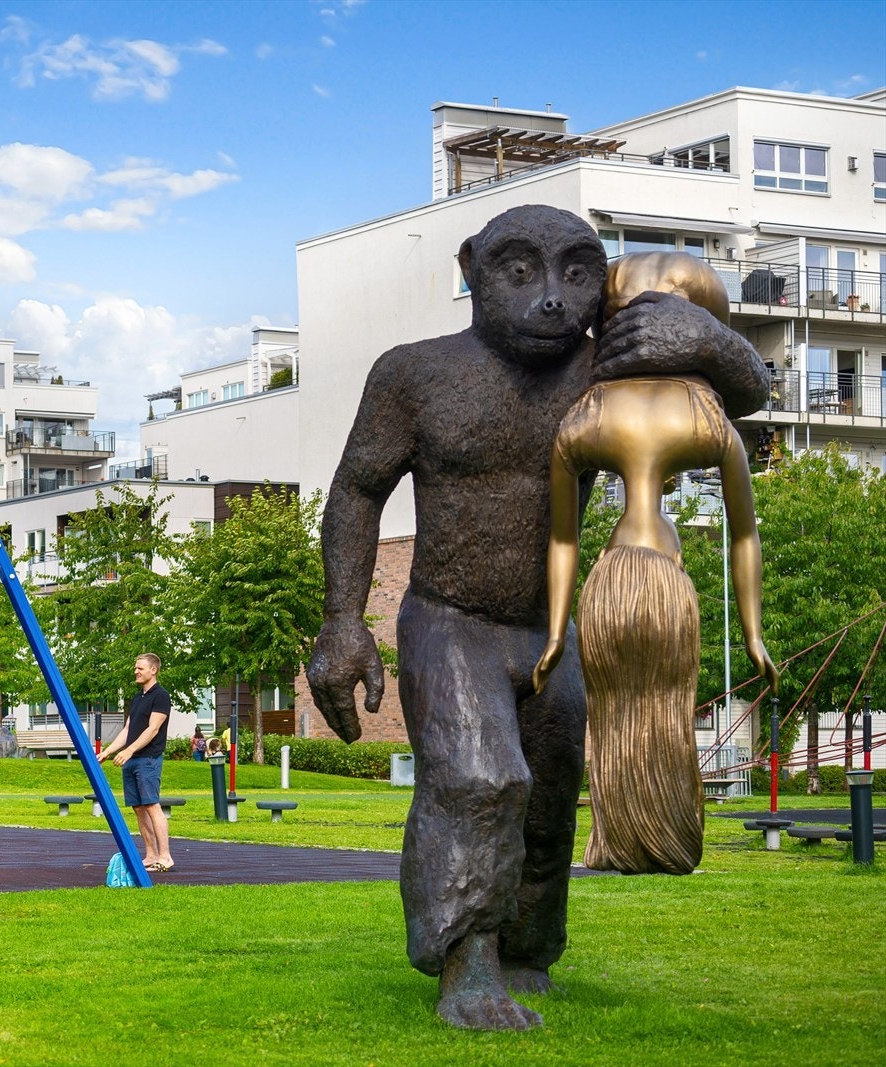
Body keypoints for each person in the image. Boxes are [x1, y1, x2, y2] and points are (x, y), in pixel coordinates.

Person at [307, 205, 770, 1030]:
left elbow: (744, 393)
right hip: (449, 617)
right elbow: (356, 488)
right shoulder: (413, 374)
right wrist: (343, 619)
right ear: (471, 269)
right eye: (521, 273)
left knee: (552, 793)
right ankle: (469, 962)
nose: (552, 299)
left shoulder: (607, 370)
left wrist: (706, 342)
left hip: (552, 625)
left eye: (576, 274)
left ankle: (525, 949)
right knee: (481, 777)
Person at [532, 251, 779, 876]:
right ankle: (666, 833)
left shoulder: (585, 417)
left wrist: (557, 633)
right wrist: (754, 635)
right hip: (662, 583)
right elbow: (743, 535)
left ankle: (617, 835)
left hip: (610, 582)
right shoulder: (705, 418)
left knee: (615, 716)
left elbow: (564, 539)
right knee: (665, 711)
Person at [98, 654, 173, 872]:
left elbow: (153, 729)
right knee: (139, 808)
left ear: (153, 670)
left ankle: (165, 856)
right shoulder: (138, 697)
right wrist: (109, 752)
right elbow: (128, 730)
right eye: (135, 668)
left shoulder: (161, 696)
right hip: (132, 760)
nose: (136, 671)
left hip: (148, 759)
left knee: (151, 805)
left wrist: (130, 750)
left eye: (140, 668)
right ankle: (150, 855)